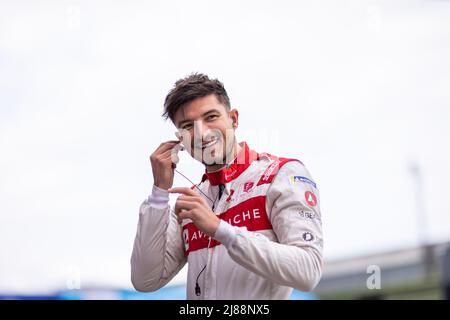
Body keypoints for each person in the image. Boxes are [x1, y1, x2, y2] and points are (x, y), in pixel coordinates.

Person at [131, 73, 323, 299]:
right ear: (179, 138)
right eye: (188, 126)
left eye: (211, 117)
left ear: (233, 118)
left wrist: (220, 229)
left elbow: (308, 271)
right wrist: (159, 193)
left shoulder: (280, 175)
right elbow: (145, 281)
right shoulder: (191, 203)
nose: (202, 133)